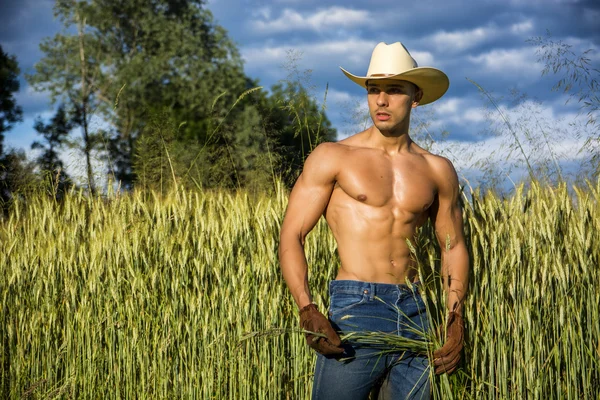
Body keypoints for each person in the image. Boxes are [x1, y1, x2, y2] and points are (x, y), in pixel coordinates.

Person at [278, 42, 469, 399]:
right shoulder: (333, 156)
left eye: (394, 90)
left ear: (416, 96)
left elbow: (453, 246)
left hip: (417, 311)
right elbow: (292, 234)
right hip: (354, 309)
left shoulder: (437, 169)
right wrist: (307, 308)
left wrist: (454, 318)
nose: (381, 100)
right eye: (373, 89)